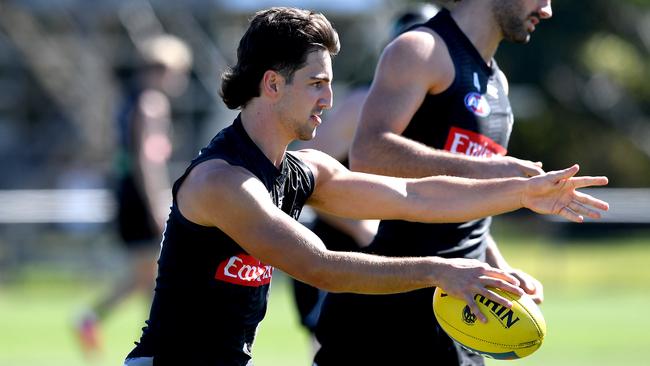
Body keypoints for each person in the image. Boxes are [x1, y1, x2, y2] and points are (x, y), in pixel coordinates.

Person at [122, 7, 608, 366]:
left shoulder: (300, 169)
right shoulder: (224, 181)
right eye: (316, 84)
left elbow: (409, 196)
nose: (330, 100)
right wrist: (441, 271)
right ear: (272, 85)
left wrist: (520, 193)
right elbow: (322, 266)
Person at [314, 0, 557, 365]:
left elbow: (468, 204)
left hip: (462, 309)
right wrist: (490, 171)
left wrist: (498, 267)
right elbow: (369, 153)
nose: (547, 9)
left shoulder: (498, 82)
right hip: (389, 315)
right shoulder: (421, 50)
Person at [289, 2, 439, 349]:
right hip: (339, 253)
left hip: (395, 260)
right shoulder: (362, 104)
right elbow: (300, 180)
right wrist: (361, 229)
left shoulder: (437, 110)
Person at [75, 34, 192, 356]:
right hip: (141, 198)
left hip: (129, 195)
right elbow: (145, 159)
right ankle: (154, 342)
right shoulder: (152, 103)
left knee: (147, 274)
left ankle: (98, 320)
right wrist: (157, 201)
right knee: (156, 272)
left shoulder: (132, 100)